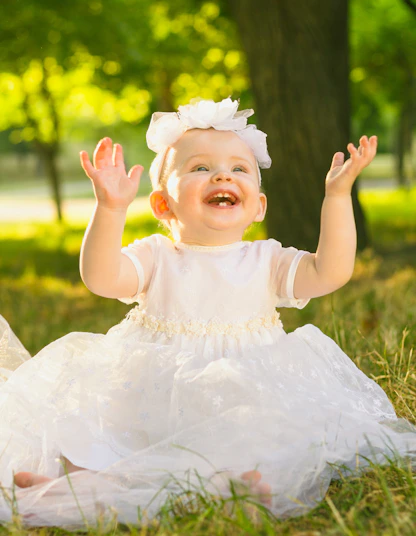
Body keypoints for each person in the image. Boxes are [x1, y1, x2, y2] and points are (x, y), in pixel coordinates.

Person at [0, 97, 415, 528]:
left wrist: (337, 195)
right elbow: (102, 278)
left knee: (255, 446)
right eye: (200, 168)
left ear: (258, 206)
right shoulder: (157, 255)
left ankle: (233, 489)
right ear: (163, 206)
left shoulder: (266, 260)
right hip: (152, 394)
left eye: (239, 169)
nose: (222, 174)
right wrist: (110, 209)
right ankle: (79, 487)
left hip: (242, 394)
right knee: (101, 442)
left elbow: (331, 271)